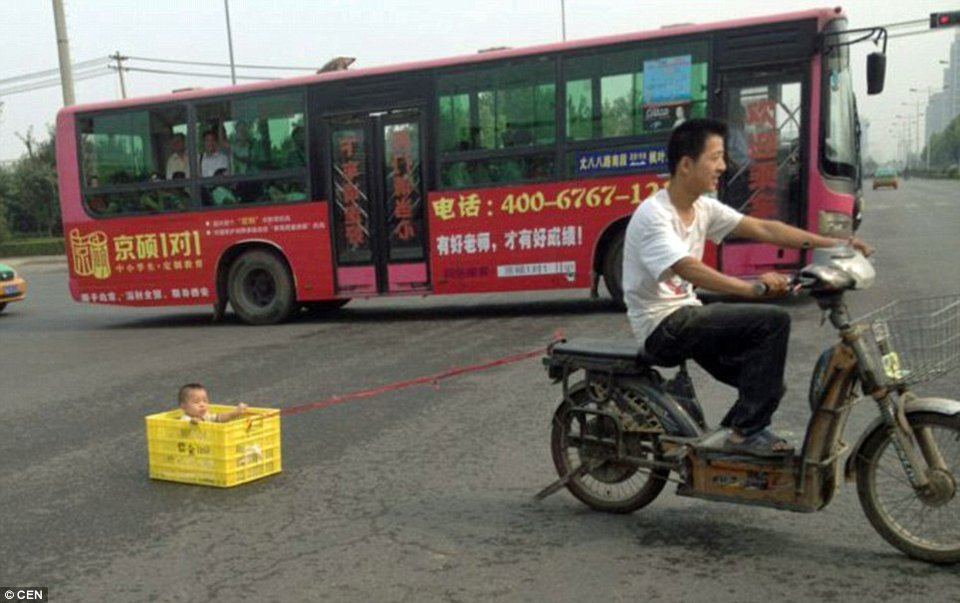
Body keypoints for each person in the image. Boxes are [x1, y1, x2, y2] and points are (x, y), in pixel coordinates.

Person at [622, 118, 873, 456]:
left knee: (768, 382)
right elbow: (688, 268)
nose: (723, 167)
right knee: (772, 321)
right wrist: (752, 288)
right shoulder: (655, 215)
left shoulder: (702, 208)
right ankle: (744, 434)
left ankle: (720, 450)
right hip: (661, 327)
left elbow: (765, 229)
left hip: (687, 315)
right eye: (715, 158)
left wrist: (834, 243)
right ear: (686, 165)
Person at [178, 383, 248, 424]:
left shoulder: (205, 416)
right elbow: (188, 424)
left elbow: (220, 418)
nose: (202, 405)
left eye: (205, 401)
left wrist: (235, 412)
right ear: (184, 407)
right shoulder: (185, 419)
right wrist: (192, 422)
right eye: (196, 402)